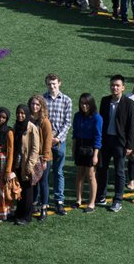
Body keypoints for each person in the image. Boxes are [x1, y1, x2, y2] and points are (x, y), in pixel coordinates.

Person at [98, 75, 134, 212]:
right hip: (105, 140)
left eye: (117, 85)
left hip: (120, 142)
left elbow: (131, 126)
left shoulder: (129, 103)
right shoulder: (104, 101)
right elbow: (100, 122)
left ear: (123, 88)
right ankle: (101, 195)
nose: (114, 87)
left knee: (119, 171)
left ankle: (118, 199)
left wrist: (129, 145)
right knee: (102, 168)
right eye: (112, 85)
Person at [42, 74, 72, 215]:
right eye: (49, 84)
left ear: (59, 83)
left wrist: (58, 138)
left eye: (54, 83)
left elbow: (67, 123)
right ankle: (44, 200)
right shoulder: (42, 99)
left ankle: (59, 201)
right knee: (44, 172)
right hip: (44, 143)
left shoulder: (67, 100)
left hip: (59, 142)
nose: (52, 86)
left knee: (59, 172)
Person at [71, 93, 103, 212]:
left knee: (90, 175)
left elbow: (98, 137)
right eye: (82, 103)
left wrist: (95, 155)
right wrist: (74, 149)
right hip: (80, 146)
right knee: (79, 174)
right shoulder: (77, 116)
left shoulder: (97, 118)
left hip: (91, 148)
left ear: (91, 104)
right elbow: (74, 134)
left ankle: (91, 203)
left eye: (86, 103)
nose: (84, 106)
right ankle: (78, 200)